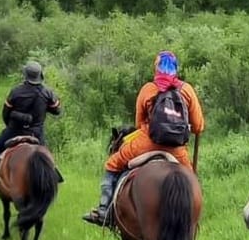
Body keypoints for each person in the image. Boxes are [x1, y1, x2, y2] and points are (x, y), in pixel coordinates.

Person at [83, 51, 205, 225]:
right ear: (176, 69)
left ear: (156, 68)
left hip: (146, 143)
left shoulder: (148, 89)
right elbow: (199, 126)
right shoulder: (187, 90)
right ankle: (193, 217)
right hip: (177, 151)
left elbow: (139, 123)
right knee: (190, 181)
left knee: (112, 164)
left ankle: (104, 211)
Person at [0, 61, 62, 191]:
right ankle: (54, 177)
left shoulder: (15, 92)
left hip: (14, 131)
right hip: (36, 134)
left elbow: (5, 114)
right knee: (46, 158)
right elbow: (57, 110)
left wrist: (10, 126)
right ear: (40, 75)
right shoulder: (47, 93)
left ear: (25, 75)